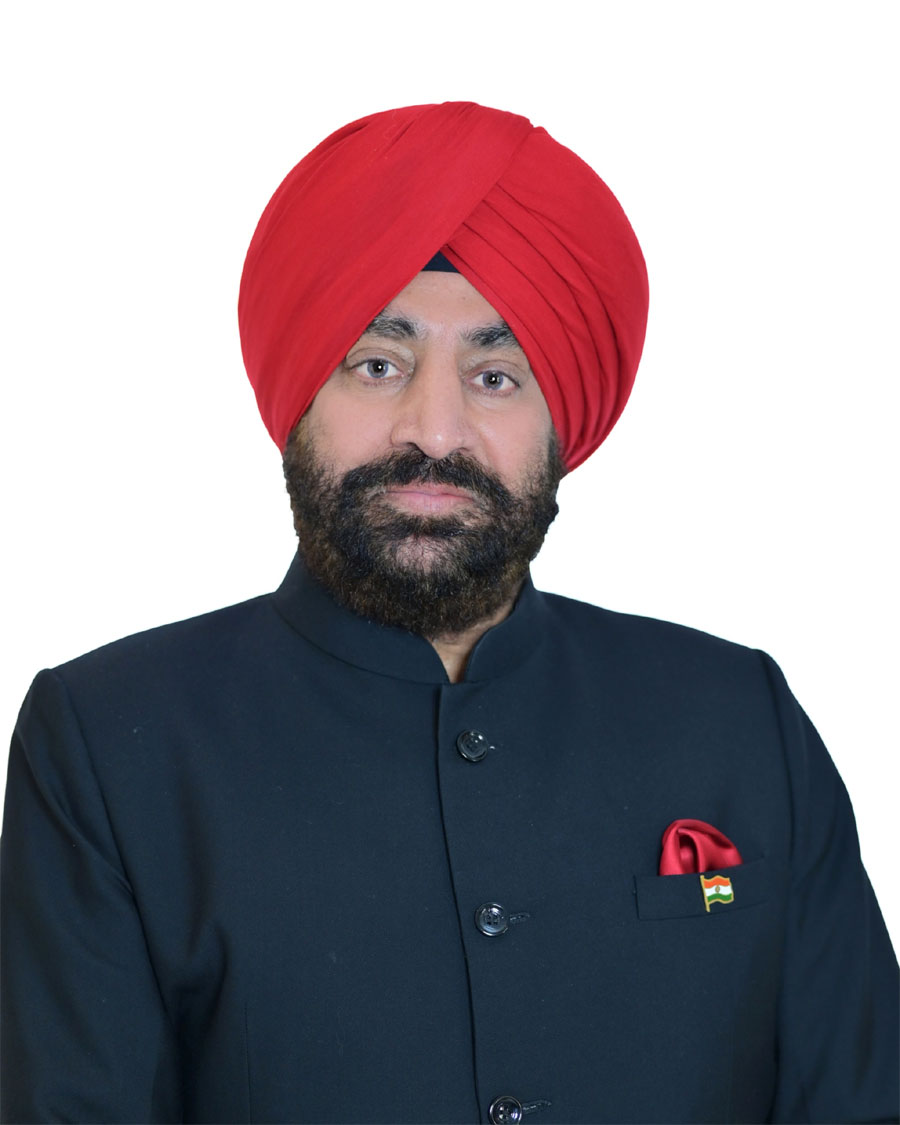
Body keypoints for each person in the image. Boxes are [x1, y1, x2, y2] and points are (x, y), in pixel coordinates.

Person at [1, 101, 896, 1125]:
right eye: (378, 364)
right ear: (300, 396)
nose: (433, 429)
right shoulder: (112, 743)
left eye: (494, 375)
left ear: (560, 422)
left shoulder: (740, 721)